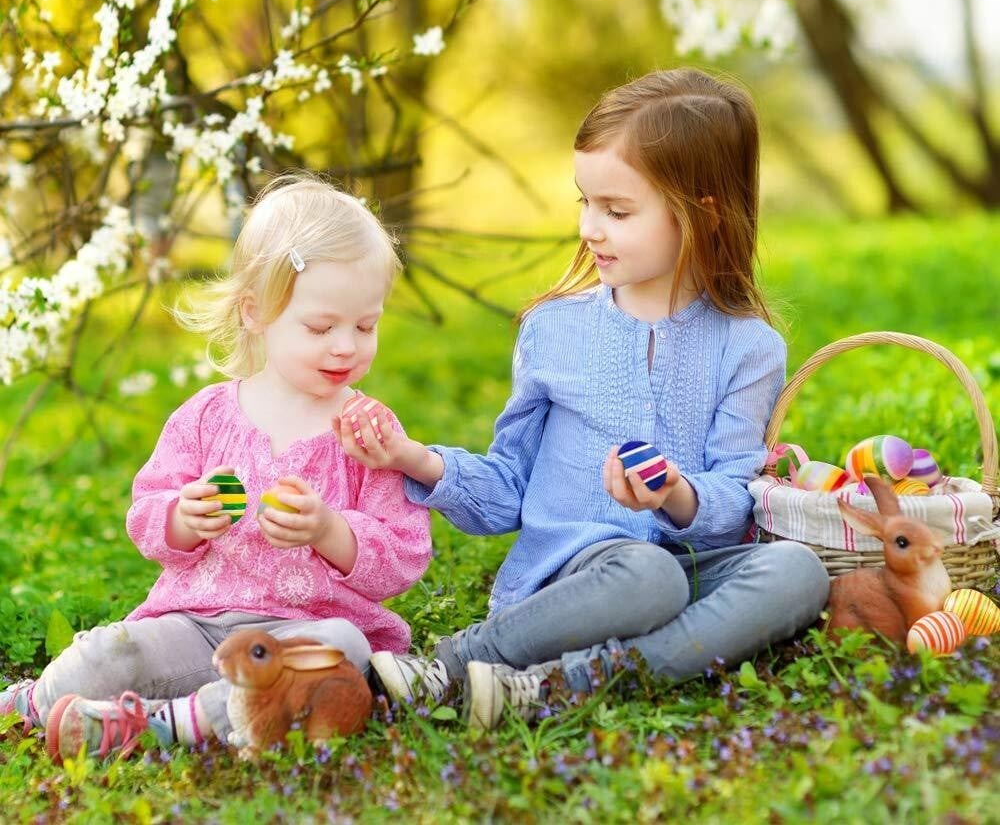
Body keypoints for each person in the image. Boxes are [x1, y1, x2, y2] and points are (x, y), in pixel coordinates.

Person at [338, 69, 829, 730]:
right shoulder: (555, 330)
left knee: (797, 572)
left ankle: (555, 686)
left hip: (693, 563)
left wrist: (675, 494)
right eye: (585, 203)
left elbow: (734, 498)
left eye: (618, 212)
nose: (590, 229)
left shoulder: (749, 347)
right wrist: (418, 460)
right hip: (578, 573)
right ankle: (455, 666)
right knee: (647, 577)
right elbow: (511, 485)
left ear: (703, 213)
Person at [1, 175, 432, 759]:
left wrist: (331, 531)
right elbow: (147, 516)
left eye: (365, 325)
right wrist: (184, 516)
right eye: (320, 327)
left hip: (298, 631)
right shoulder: (206, 416)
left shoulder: (368, 434)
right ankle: (34, 702)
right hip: (194, 625)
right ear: (255, 314)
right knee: (112, 652)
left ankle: (159, 725)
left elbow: (404, 557)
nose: (345, 347)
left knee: (340, 649)